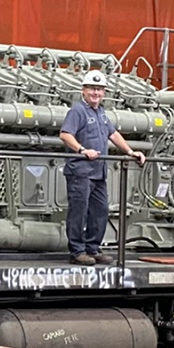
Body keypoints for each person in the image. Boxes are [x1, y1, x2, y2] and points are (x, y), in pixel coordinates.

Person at [60, 69, 146, 266]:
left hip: (98, 173)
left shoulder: (101, 113)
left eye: (99, 89)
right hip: (80, 172)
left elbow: (113, 134)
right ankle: (77, 251)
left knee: (100, 211)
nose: (96, 93)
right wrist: (82, 149)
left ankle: (92, 248)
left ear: (104, 92)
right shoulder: (77, 111)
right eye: (92, 89)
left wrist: (130, 152)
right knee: (79, 211)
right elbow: (65, 134)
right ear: (83, 90)